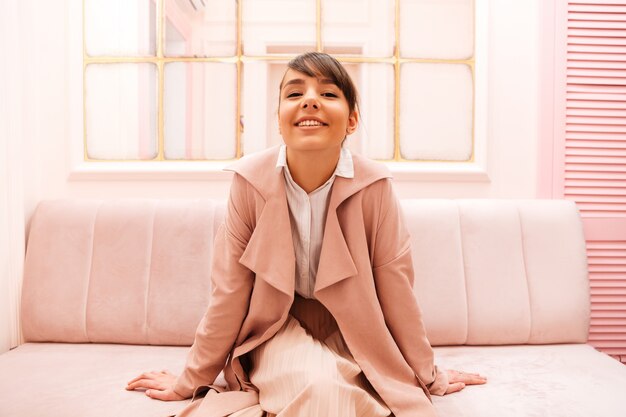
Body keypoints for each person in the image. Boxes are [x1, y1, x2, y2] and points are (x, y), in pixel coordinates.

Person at [126, 52, 487, 417]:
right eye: (294, 94)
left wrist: (427, 373)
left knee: (361, 387)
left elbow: (397, 289)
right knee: (321, 390)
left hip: (358, 332)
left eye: (328, 94)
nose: (310, 100)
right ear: (279, 120)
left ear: (352, 120)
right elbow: (229, 293)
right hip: (278, 329)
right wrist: (188, 381)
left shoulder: (374, 186)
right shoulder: (249, 181)